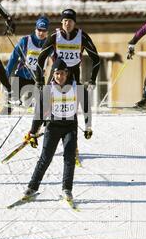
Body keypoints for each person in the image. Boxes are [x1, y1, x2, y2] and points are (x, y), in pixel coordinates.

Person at [21, 58, 93, 202]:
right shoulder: (48, 90)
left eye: (62, 73)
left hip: (70, 127)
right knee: (45, 158)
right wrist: (33, 132)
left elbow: (86, 107)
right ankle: (32, 188)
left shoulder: (76, 87)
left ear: (66, 73)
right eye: (57, 74)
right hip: (53, 126)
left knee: (69, 158)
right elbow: (39, 114)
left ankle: (67, 189)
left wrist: (88, 126)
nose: (60, 77)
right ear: (53, 75)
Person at [35, 9, 100, 89]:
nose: (67, 23)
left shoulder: (82, 37)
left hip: (73, 71)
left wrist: (92, 80)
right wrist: (39, 80)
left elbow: (96, 59)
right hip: (57, 72)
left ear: (74, 22)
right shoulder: (54, 36)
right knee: (47, 97)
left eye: (70, 21)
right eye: (65, 20)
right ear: (62, 21)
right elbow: (41, 58)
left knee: (79, 98)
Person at [3, 16, 52, 114]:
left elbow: (56, 60)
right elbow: (13, 58)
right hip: (21, 75)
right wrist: (5, 76)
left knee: (38, 107)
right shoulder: (25, 41)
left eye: (44, 30)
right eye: (39, 30)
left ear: (47, 31)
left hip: (38, 78)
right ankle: (0, 121)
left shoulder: (49, 44)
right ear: (35, 29)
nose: (41, 33)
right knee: (10, 103)